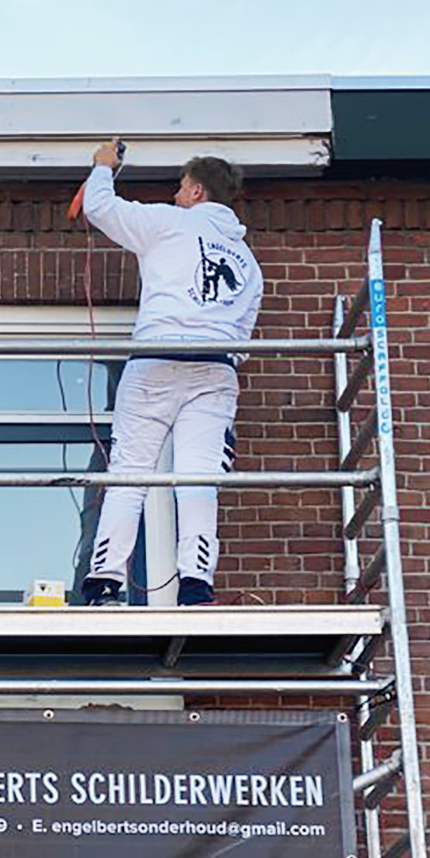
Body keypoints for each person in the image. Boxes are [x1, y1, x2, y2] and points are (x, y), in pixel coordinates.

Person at [77, 141, 263, 607]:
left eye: (182, 188)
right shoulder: (249, 264)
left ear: (197, 191)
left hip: (157, 357)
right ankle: (196, 584)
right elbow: (242, 333)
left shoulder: (169, 222)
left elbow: (102, 208)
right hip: (215, 369)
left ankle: (104, 580)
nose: (177, 195)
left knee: (131, 472)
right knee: (198, 478)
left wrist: (103, 167)